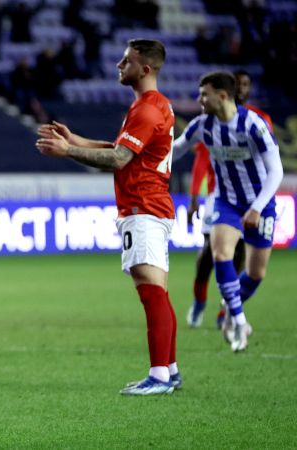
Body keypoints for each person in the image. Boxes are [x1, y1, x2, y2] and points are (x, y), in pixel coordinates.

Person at [36, 39, 180, 395]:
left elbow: (118, 160)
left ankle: (160, 375)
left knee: (151, 292)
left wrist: (68, 151)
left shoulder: (146, 109)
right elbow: (121, 149)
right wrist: (77, 140)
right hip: (151, 204)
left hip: (143, 206)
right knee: (157, 290)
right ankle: (170, 370)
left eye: (126, 60)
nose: (119, 65)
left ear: (144, 69)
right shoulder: (154, 105)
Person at [173, 71, 282, 352]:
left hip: (260, 203)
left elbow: (276, 171)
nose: (199, 99)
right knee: (221, 254)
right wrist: (141, 155)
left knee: (256, 273)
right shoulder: (202, 125)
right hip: (226, 201)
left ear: (222, 96)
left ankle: (230, 303)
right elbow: (177, 149)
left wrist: (257, 208)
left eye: (203, 94)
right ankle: (238, 319)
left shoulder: (253, 125)